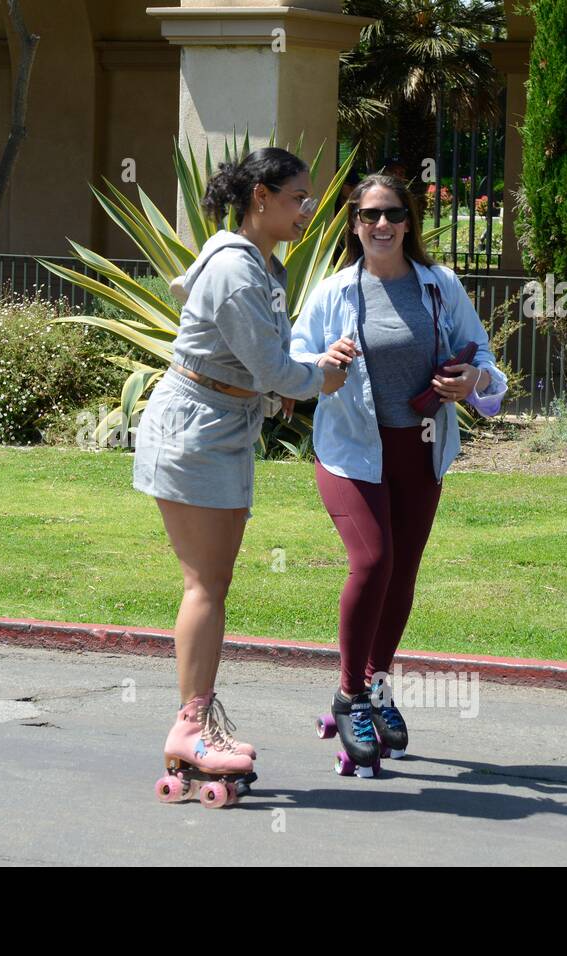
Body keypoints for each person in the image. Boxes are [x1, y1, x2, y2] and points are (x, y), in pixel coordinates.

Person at [134, 147, 348, 805]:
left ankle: (193, 725)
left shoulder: (258, 266)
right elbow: (271, 370)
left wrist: (300, 372)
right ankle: (192, 728)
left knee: (212, 583)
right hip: (196, 433)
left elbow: (261, 361)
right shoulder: (235, 269)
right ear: (261, 197)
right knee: (205, 584)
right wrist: (320, 378)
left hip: (217, 427)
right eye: (298, 198)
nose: (307, 210)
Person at [290, 173, 507, 777]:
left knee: (402, 575)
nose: (379, 225)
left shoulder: (440, 288)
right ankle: (349, 694)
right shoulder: (335, 292)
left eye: (390, 214)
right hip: (352, 451)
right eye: (367, 215)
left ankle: (377, 686)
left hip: (422, 449)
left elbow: (484, 358)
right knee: (373, 562)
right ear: (353, 224)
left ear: (408, 222)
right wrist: (320, 362)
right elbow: (293, 359)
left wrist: (475, 382)